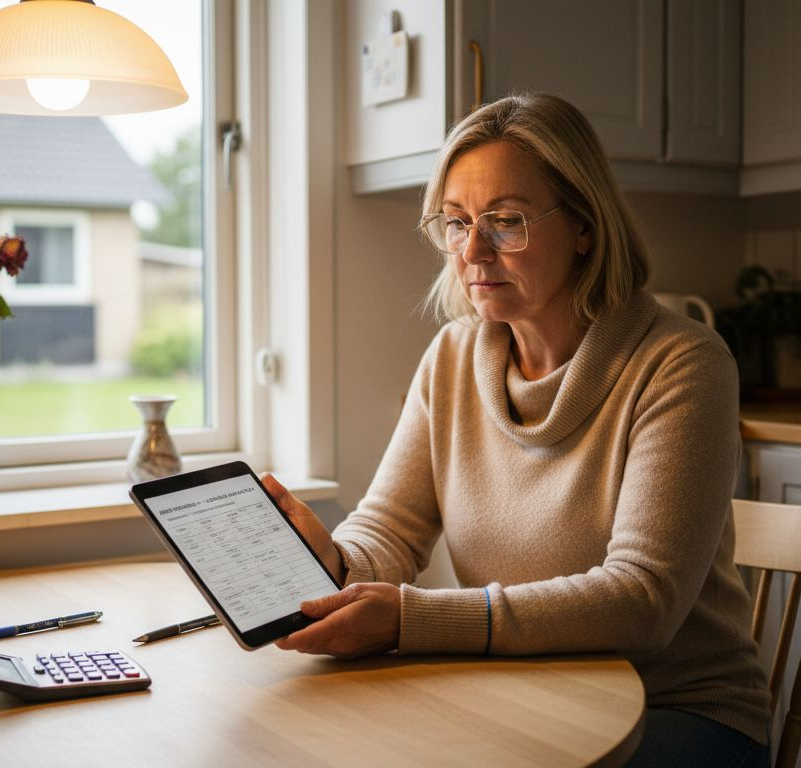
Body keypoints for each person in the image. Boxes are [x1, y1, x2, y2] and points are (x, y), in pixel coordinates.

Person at [262, 93, 771, 767]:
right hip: (521, 692)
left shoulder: (681, 363)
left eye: (506, 222)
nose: (472, 251)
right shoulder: (452, 357)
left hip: (676, 710)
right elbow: (389, 529)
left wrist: (413, 619)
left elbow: (643, 600)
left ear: (585, 225)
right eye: (456, 222)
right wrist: (332, 561)